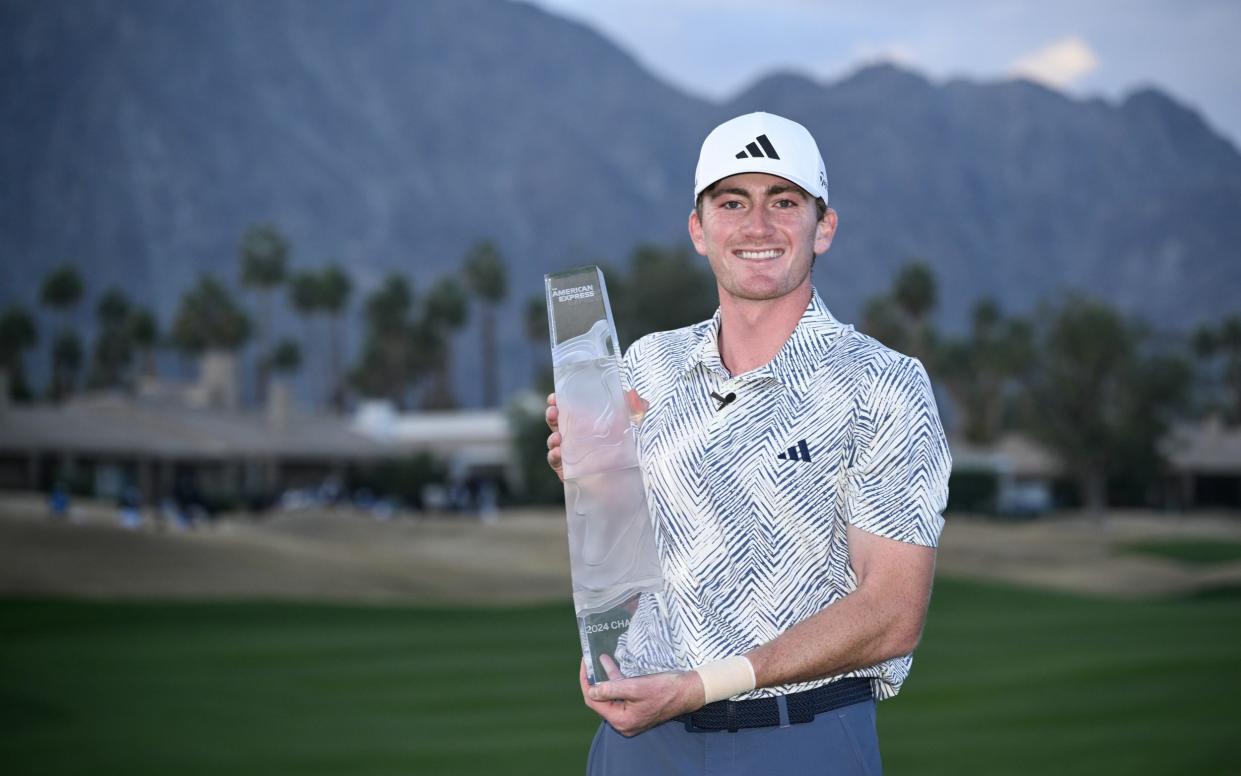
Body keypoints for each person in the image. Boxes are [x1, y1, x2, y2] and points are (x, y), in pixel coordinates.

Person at [545, 112, 951, 774]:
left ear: (823, 226)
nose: (756, 226)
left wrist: (704, 683)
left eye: (782, 202)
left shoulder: (884, 384)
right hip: (640, 745)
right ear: (698, 230)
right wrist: (591, 475)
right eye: (732, 203)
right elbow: (624, 555)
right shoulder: (647, 365)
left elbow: (891, 614)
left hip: (801, 739)